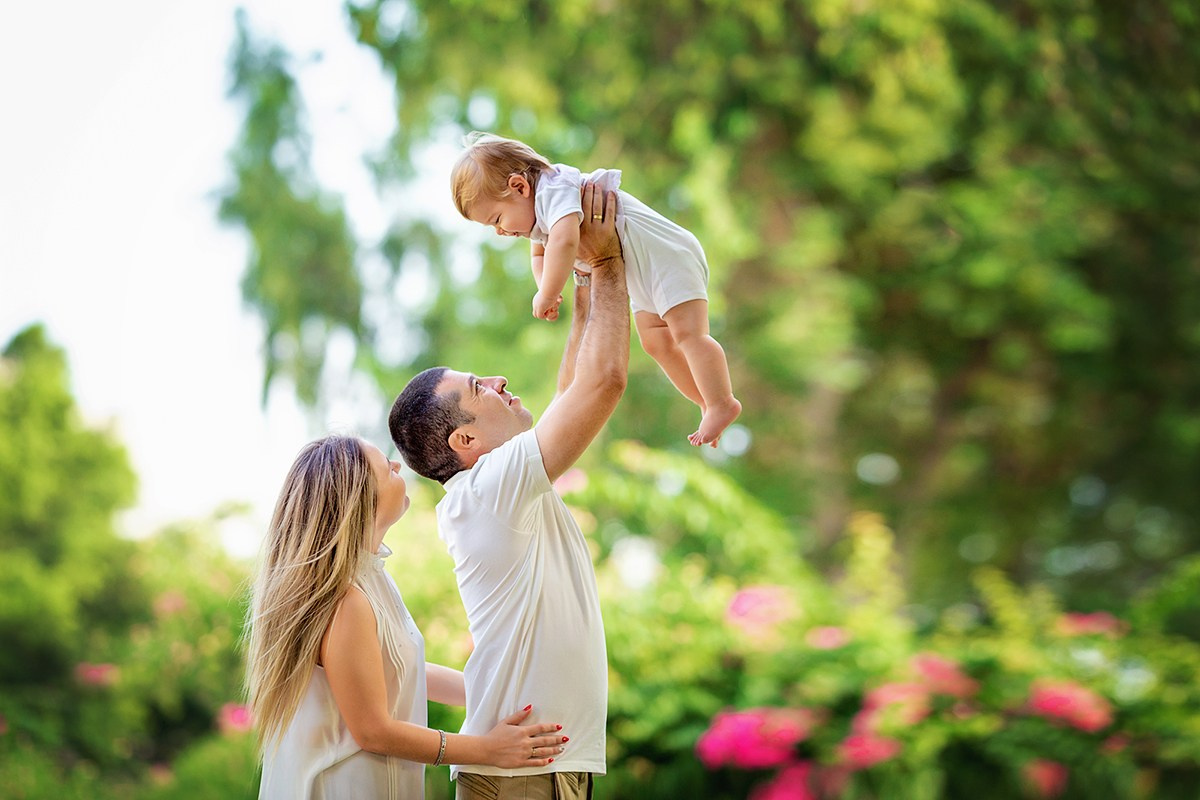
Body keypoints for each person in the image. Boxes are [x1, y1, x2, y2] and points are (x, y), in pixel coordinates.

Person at [388, 184, 626, 800]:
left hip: (540, 767)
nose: (497, 379)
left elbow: (574, 385)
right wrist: (606, 263)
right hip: (518, 774)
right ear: (466, 440)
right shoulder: (487, 490)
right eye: (478, 386)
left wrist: (577, 280)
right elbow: (602, 383)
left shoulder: (498, 488)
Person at [246, 435, 569, 799]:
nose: (397, 465)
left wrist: (499, 692)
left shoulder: (372, 577)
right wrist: (486, 749)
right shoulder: (346, 599)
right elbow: (373, 730)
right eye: (386, 465)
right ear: (358, 496)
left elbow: (400, 670)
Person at [450, 131, 741, 447]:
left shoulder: (554, 189)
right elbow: (540, 254)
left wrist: (548, 293)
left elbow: (565, 240)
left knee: (688, 334)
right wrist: (545, 288)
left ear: (519, 187)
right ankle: (704, 400)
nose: (500, 231)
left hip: (666, 256)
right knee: (656, 342)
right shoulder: (535, 221)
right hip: (642, 273)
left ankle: (721, 401)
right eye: (491, 227)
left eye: (497, 218)